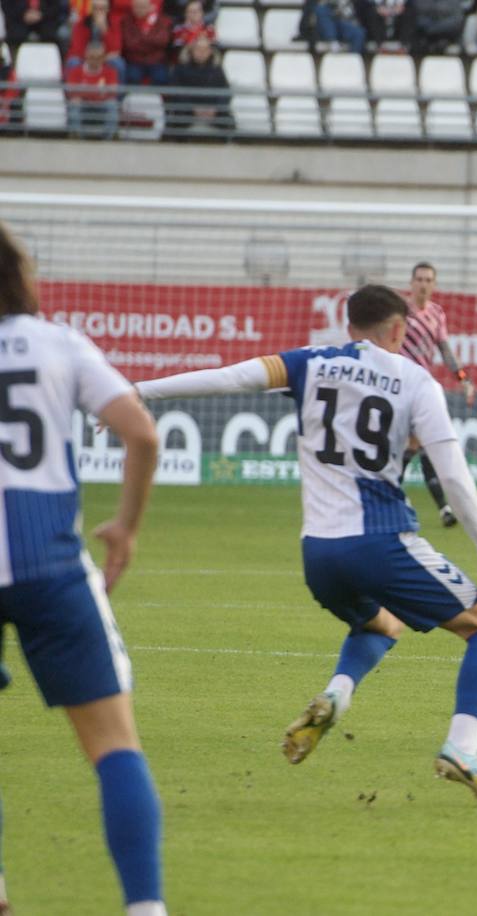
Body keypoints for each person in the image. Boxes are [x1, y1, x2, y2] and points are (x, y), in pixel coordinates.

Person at [136, 285, 477, 806]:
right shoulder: (415, 380)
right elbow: (452, 473)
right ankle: (463, 747)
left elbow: (229, 378)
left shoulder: (308, 363)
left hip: (318, 554)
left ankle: (336, 695)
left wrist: (138, 392)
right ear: (400, 331)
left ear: (350, 326)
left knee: (382, 623)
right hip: (382, 541)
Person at [0, 224, 166, 915]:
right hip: (49, 565)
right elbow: (142, 434)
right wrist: (124, 528)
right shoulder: (59, 343)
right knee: (113, 747)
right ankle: (145, 908)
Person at [400, 260, 475, 529]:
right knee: (416, 444)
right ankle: (441, 507)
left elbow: (445, 351)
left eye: (428, 280)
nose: (423, 284)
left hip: (422, 389)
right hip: (398, 386)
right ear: (411, 283)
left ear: (434, 284)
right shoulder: (399, 312)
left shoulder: (436, 314)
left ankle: (435, 506)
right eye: (419, 279)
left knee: (418, 445)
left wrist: (463, 378)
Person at [167, 32, 233, 134]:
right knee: (178, 119)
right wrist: (192, 108)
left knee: (228, 120)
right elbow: (175, 92)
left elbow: (226, 91)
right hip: (187, 110)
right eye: (198, 49)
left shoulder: (217, 69)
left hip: (213, 110)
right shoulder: (180, 68)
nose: (202, 53)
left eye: (205, 50)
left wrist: (215, 109)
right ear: (191, 50)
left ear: (210, 51)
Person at [65, 39, 122, 139]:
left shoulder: (110, 72)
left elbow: (113, 93)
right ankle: (77, 136)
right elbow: (71, 92)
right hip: (84, 104)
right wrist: (98, 92)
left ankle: (109, 137)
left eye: (98, 58)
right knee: (74, 103)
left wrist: (84, 91)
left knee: (112, 104)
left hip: (101, 104)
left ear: (103, 58)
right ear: (86, 56)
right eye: (92, 57)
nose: (95, 61)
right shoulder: (76, 71)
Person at [68, 0, 127, 84]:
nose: (99, 11)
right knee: (73, 62)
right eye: (95, 8)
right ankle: (72, 95)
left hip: (105, 58)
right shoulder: (82, 23)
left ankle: (116, 96)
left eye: (102, 8)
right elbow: (77, 48)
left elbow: (116, 49)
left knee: (118, 64)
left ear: (108, 10)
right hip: (86, 57)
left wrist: (104, 30)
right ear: (91, 9)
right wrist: (92, 58)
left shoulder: (114, 24)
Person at [120, 0, 173, 86]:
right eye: (137, 7)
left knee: (161, 78)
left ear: (150, 7)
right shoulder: (127, 21)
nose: (139, 9)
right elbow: (130, 44)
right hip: (135, 60)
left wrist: (141, 39)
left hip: (156, 60)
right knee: (132, 77)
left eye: (142, 7)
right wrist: (151, 42)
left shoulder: (162, 21)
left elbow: (163, 40)